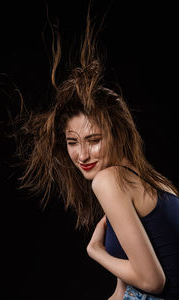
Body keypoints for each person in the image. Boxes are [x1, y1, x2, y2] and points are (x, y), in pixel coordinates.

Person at [14, 7, 179, 300]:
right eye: (72, 142)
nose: (82, 155)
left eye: (93, 139)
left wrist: (96, 252)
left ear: (116, 134)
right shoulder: (153, 182)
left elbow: (152, 281)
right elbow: (123, 290)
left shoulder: (108, 181)